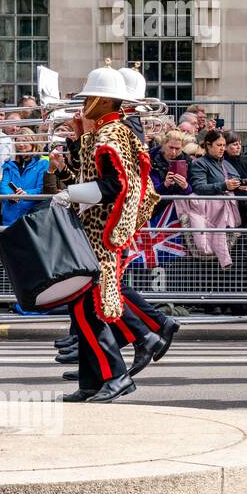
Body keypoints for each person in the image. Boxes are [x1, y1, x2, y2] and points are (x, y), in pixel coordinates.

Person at [50, 64, 146, 402]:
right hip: (93, 230)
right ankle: (92, 381)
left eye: (91, 96)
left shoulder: (112, 135)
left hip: (101, 233)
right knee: (83, 309)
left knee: (92, 309)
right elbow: (88, 174)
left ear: (105, 101)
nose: (86, 101)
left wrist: (71, 194)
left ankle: (116, 375)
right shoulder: (103, 132)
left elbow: (115, 186)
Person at [187, 129, 243, 269]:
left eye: (224, 145)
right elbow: (199, 188)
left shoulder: (222, 163)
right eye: (219, 145)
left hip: (224, 211)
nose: (222, 149)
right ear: (208, 145)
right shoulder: (199, 163)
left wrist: (236, 184)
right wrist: (224, 185)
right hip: (210, 214)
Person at [0, 130, 49, 226]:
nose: (20, 144)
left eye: (25, 141)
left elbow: (42, 188)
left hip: (32, 217)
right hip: (10, 216)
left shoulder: (43, 163)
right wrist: (11, 195)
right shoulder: (9, 164)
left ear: (33, 142)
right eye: (18, 141)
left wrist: (26, 194)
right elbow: (3, 185)